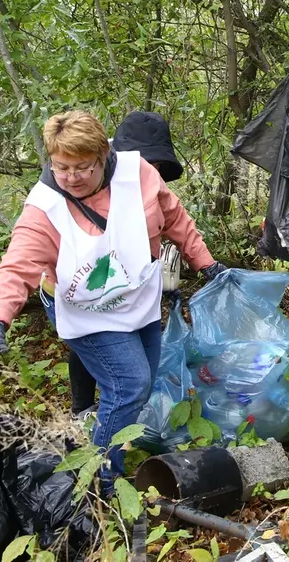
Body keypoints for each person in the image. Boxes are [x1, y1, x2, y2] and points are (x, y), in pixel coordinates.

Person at [0, 110, 225, 492]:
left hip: (137, 299)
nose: (71, 177)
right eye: (61, 168)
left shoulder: (138, 173)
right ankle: (100, 480)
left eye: (81, 167)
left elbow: (175, 216)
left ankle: (104, 442)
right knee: (129, 385)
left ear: (104, 156)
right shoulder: (45, 206)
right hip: (83, 310)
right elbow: (18, 263)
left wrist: (205, 263)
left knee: (139, 385)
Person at [67, 111, 188, 422]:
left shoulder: (148, 183)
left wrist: (171, 283)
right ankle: (85, 414)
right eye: (151, 163)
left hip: (119, 282)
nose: (153, 170)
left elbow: (160, 233)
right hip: (78, 285)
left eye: (159, 166)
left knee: (128, 361)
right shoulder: (85, 178)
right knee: (97, 345)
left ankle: (111, 419)